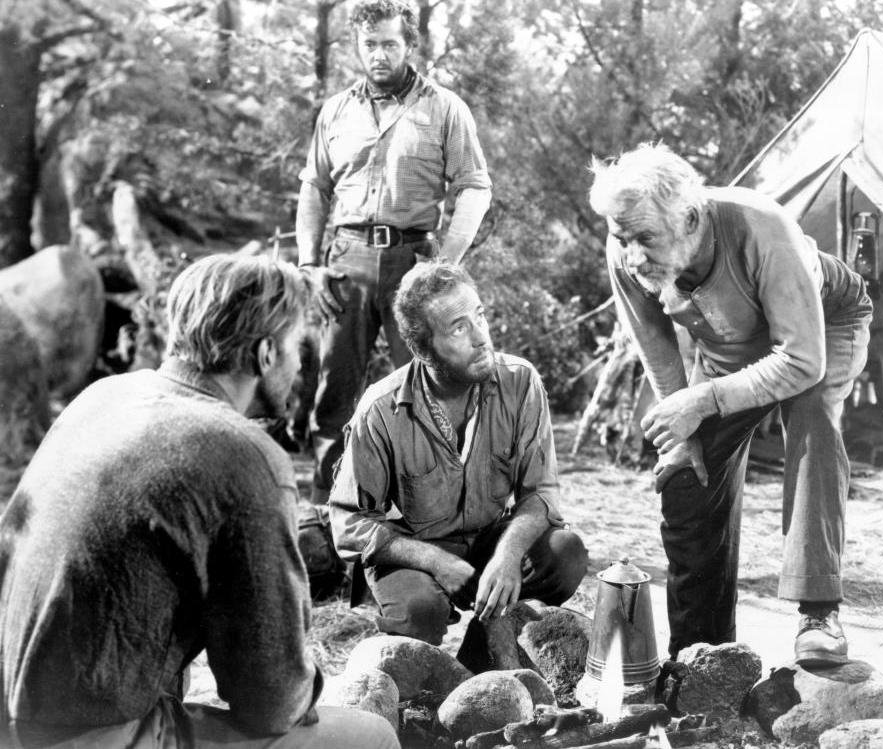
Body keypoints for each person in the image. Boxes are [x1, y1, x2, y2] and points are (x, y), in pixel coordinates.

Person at [0, 255, 399, 749]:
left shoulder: (102, 397)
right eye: (298, 346)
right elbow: (272, 703)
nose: (302, 365)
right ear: (266, 353)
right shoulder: (244, 453)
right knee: (370, 737)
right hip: (84, 736)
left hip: (16, 711)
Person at [588, 144, 872, 667]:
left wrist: (706, 397)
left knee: (811, 420)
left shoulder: (764, 229)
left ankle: (818, 612)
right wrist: (684, 419)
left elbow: (802, 361)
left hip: (819, 330)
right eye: (621, 238)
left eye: (645, 238)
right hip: (729, 350)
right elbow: (655, 345)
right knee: (686, 470)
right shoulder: (627, 244)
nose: (631, 255)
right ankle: (706, 650)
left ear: (691, 218)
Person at [329, 261, 588, 645]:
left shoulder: (520, 382)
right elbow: (349, 524)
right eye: (459, 327)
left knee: (565, 553)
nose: (482, 337)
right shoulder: (380, 408)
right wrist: (436, 561)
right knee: (419, 612)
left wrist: (508, 556)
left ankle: (486, 649)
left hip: (490, 541)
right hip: (415, 551)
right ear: (423, 349)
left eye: (479, 316)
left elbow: (540, 493)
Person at [296, 0, 492, 504]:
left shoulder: (445, 108)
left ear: (408, 45)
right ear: (357, 47)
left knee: (430, 387)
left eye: (388, 44)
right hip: (347, 263)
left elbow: (474, 186)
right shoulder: (336, 110)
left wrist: (445, 260)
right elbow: (314, 188)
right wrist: (309, 266)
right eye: (369, 45)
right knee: (334, 396)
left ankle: (433, 512)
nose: (378, 54)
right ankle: (328, 517)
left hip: (414, 265)